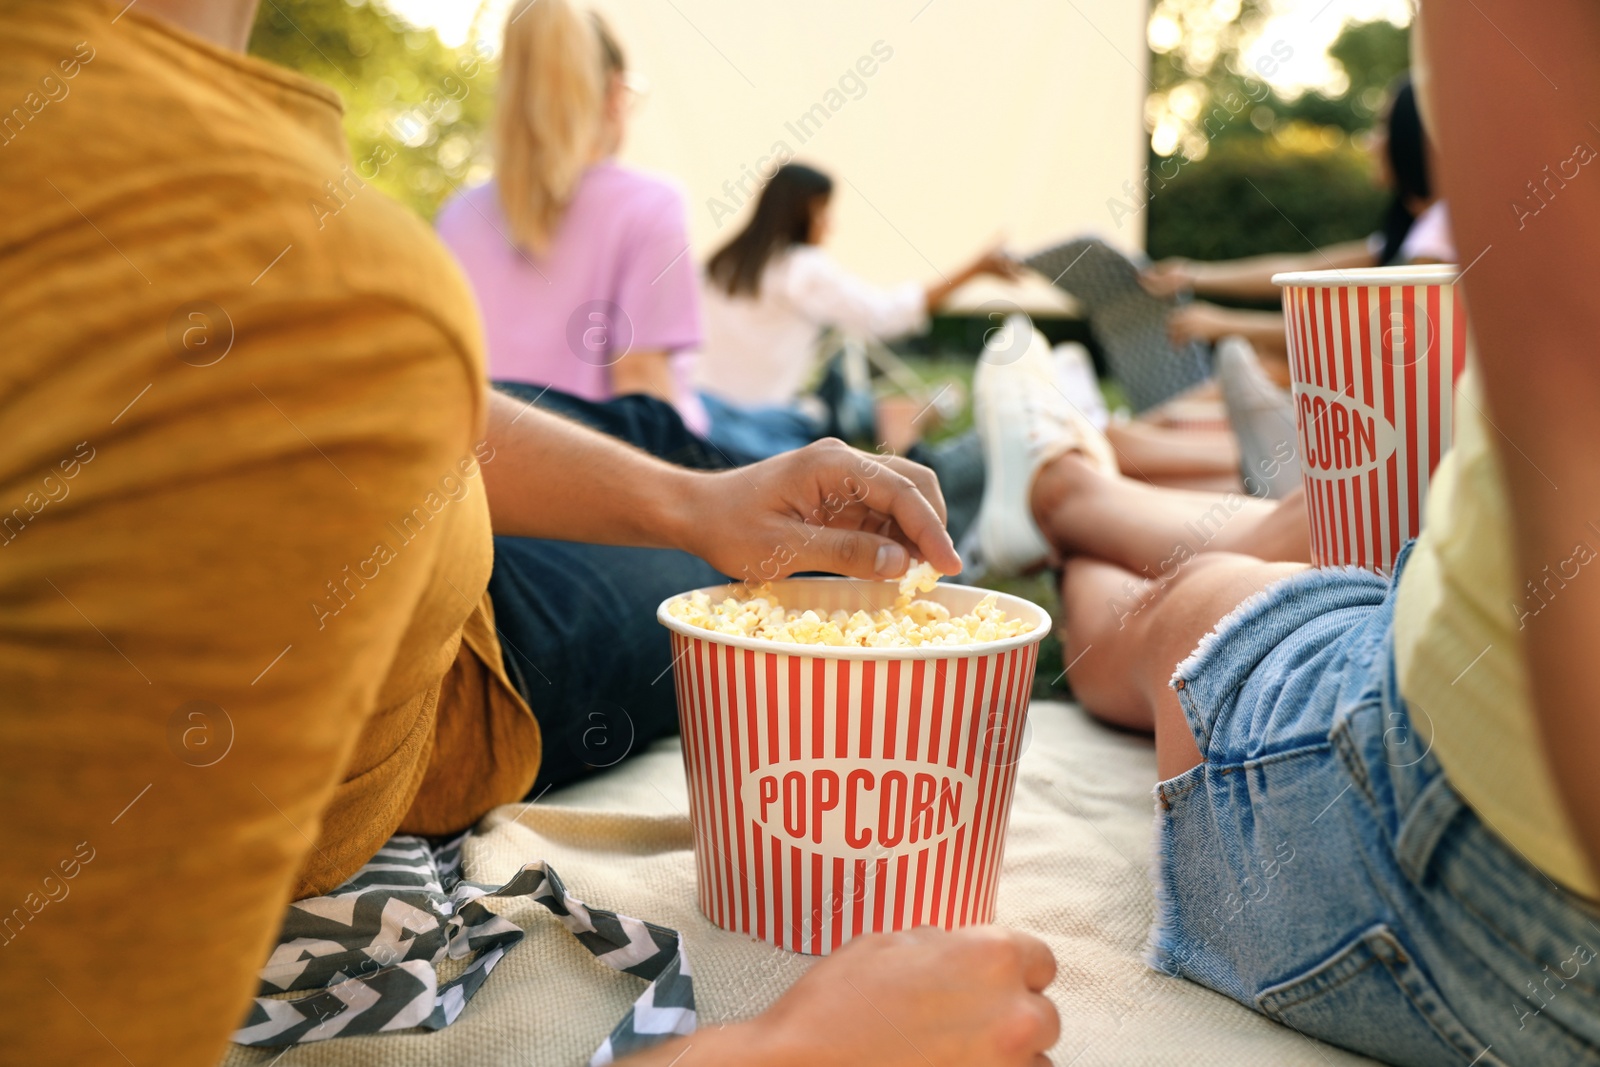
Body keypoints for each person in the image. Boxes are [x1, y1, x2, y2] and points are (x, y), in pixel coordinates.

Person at [0, 3, 1060, 1066]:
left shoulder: (269, 225)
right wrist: (800, 1048)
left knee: (672, 456)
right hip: (469, 659)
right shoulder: (299, 272)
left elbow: (409, 391)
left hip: (424, 510)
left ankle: (1019, 477)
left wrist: (690, 504)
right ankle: (1029, 481)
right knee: (698, 500)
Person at [972, 4, 1600, 1062]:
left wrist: (1222, 323)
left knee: (1207, 597)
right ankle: (1081, 486)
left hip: (1510, 884)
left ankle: (1063, 502)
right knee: (1309, 524)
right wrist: (1211, 301)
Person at [435, 1, 711, 437]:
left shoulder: (457, 215)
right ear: (615, 94)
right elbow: (644, 390)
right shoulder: (653, 205)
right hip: (598, 481)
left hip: (481, 478)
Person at [696, 162, 1019, 458]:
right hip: (763, 429)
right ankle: (908, 415)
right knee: (830, 413)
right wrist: (975, 269)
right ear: (802, 213)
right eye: (823, 212)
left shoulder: (716, 265)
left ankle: (902, 411)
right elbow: (885, 316)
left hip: (699, 414)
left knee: (832, 404)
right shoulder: (804, 269)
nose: (829, 225)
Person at [1142, 77, 1454, 362]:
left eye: (1383, 126)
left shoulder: (1437, 234)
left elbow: (1362, 336)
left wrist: (1226, 324)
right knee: (1267, 367)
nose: (1369, 143)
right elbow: (1302, 271)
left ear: (1414, 135)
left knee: (1269, 367)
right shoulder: (1413, 231)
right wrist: (1192, 275)